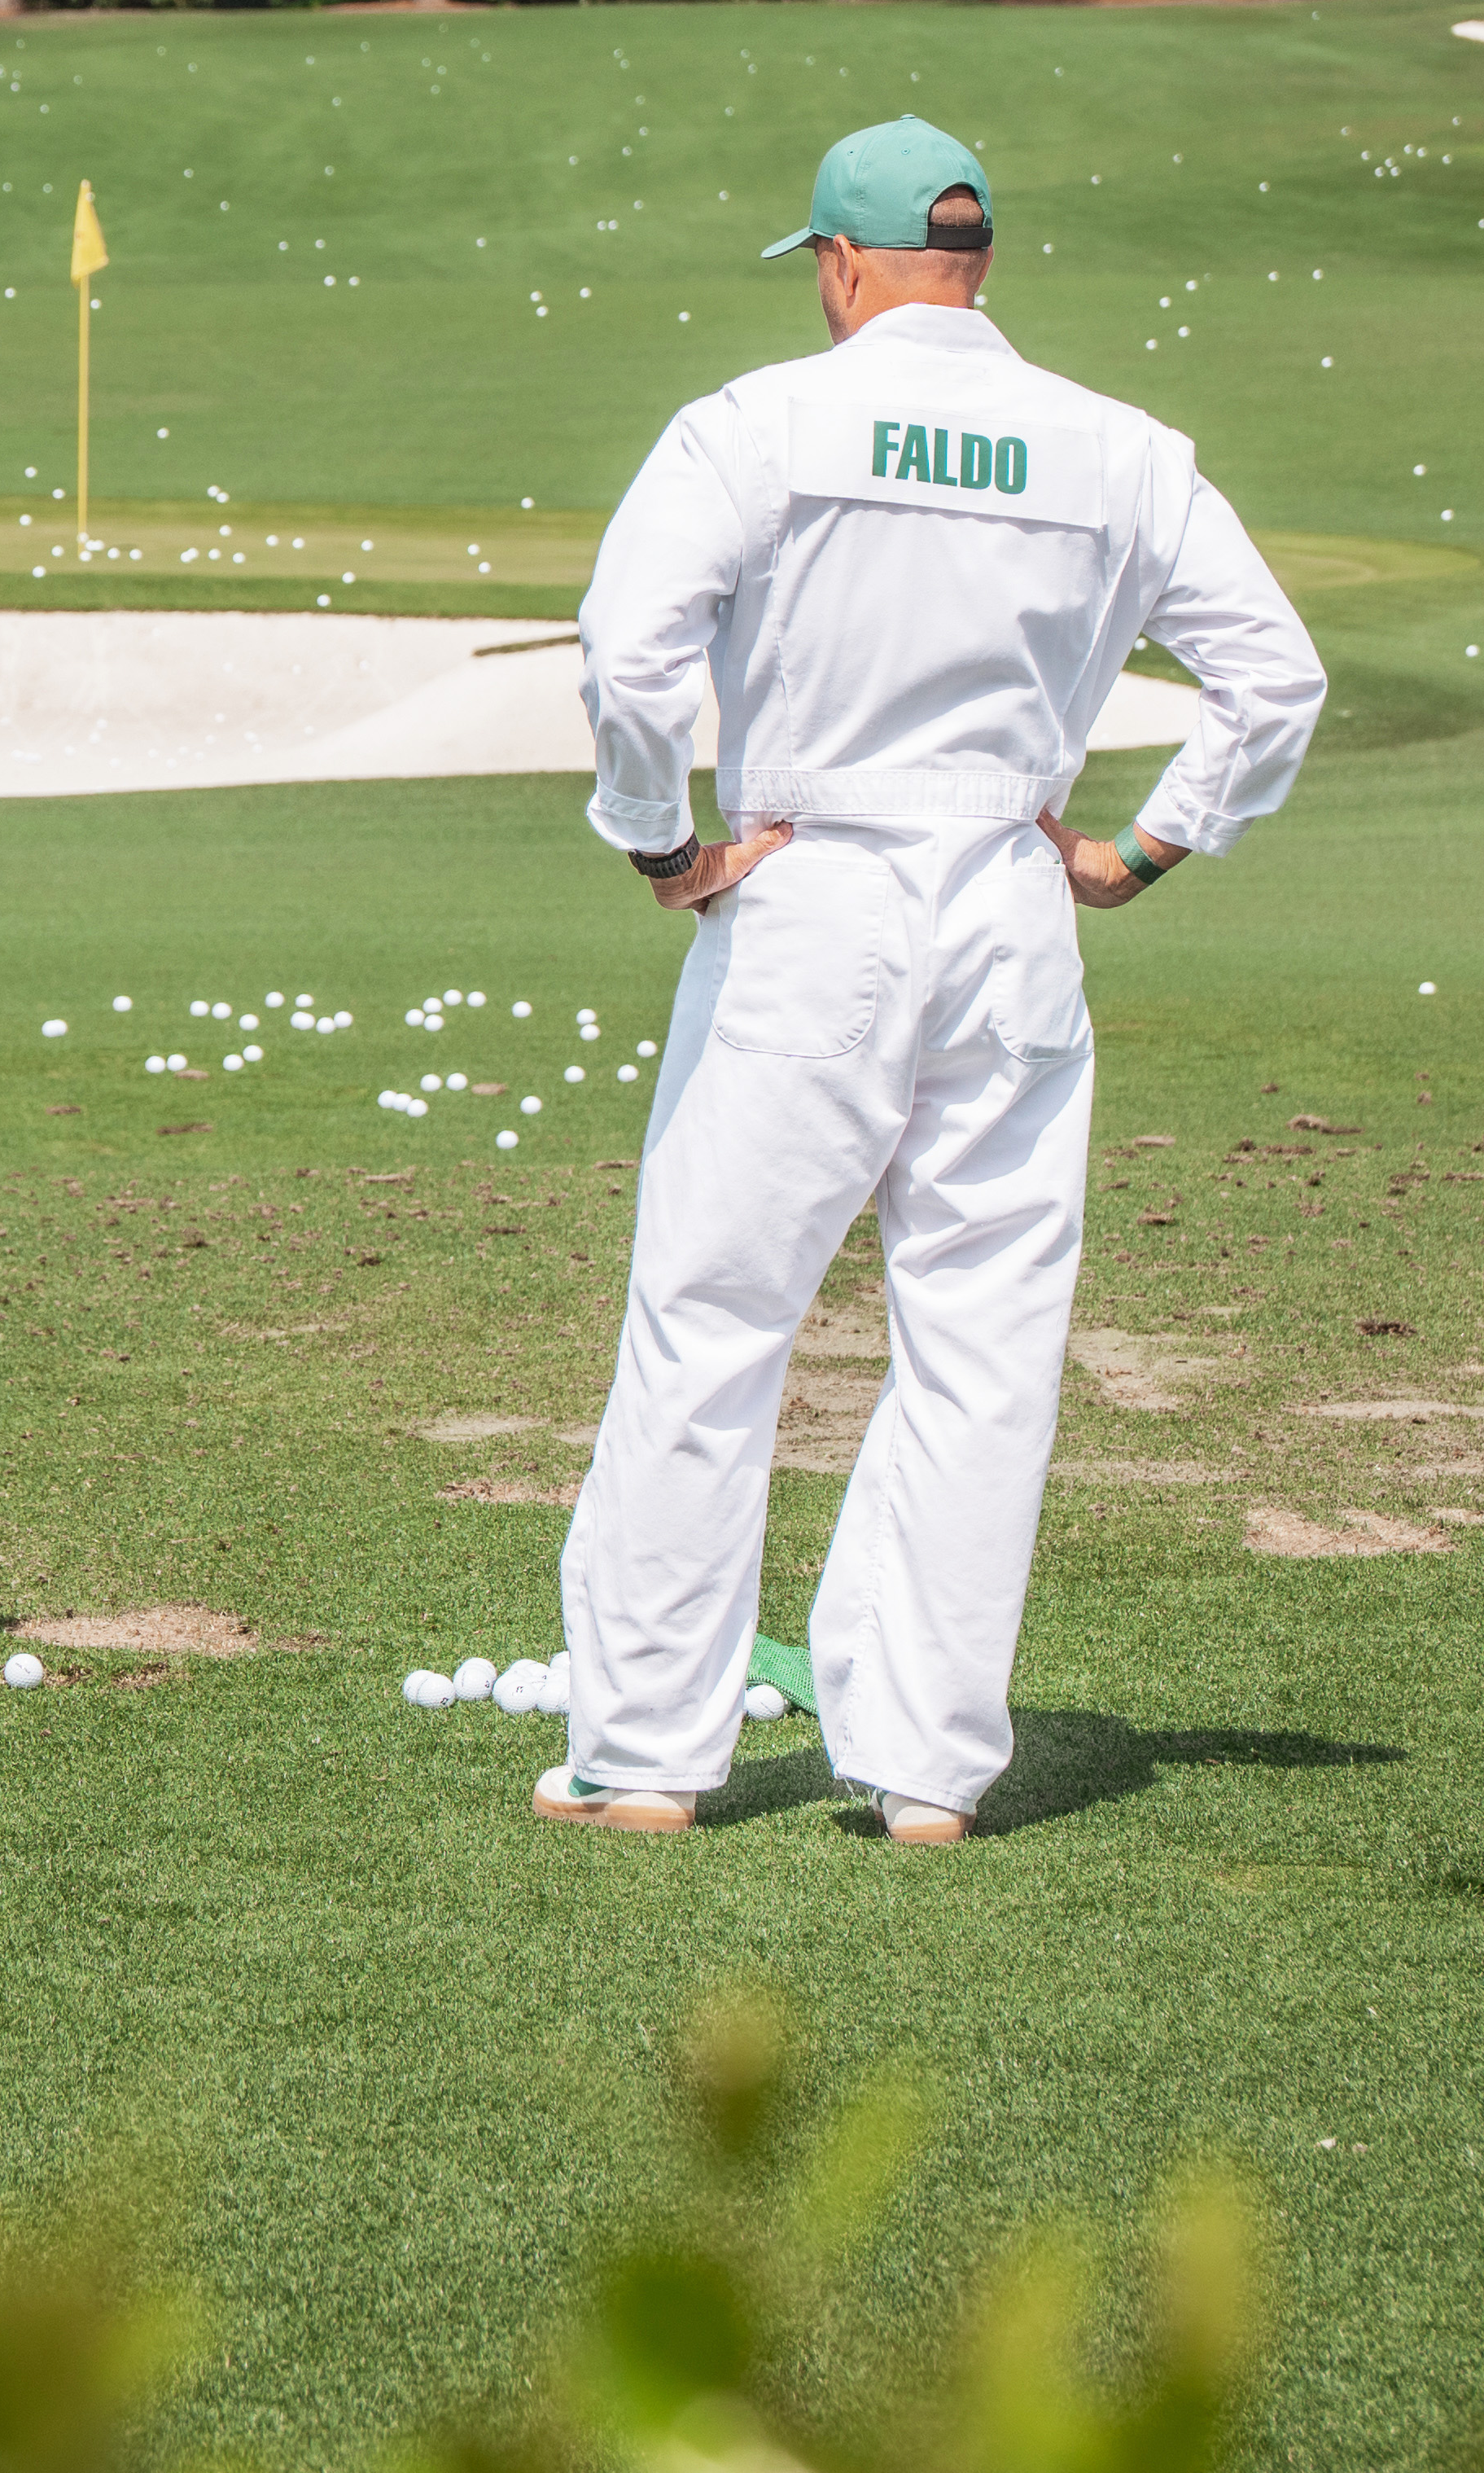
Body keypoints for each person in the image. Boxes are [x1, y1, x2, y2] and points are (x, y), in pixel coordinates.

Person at [546, 116, 1327, 1839]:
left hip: (807, 886)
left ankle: (649, 1754)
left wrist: (655, 843)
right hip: (1009, 900)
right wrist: (1146, 847)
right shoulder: (1122, 448)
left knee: (713, 1320)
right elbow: (1277, 681)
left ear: (838, 264)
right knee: (984, 1339)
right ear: (976, 261)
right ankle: (925, 1768)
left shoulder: (753, 423)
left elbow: (629, 651)